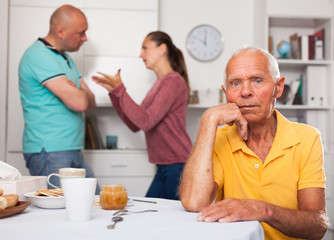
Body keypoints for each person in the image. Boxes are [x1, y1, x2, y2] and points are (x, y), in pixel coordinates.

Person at [179, 46, 328, 240]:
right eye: (235, 83)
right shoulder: (219, 139)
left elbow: (317, 227)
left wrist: (263, 210)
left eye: (257, 80)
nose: (245, 92)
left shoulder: (307, 138)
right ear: (226, 93)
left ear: (278, 87)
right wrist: (208, 120)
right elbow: (193, 202)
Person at [92, 31, 192, 200]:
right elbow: (135, 124)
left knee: (174, 219)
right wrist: (115, 95)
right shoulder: (160, 84)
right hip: (164, 166)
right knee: (150, 212)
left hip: (178, 165)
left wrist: (120, 90)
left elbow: (146, 121)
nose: (141, 55)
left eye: (145, 48)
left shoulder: (173, 81)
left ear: (162, 49)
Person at [19, 5, 99, 191]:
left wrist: (81, 95)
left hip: (69, 148)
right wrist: (80, 94)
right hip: (49, 151)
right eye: (81, 33)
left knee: (94, 203)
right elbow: (80, 102)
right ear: (60, 31)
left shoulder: (65, 59)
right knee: (59, 213)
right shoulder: (39, 56)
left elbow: (91, 101)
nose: (85, 38)